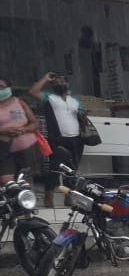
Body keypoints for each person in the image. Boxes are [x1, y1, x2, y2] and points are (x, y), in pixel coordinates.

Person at [29, 72, 83, 207]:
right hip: (58, 138)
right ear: (52, 85)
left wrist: (83, 115)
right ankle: (49, 195)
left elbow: (81, 116)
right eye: (56, 82)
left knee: (72, 169)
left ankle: (68, 196)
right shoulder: (49, 97)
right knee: (55, 167)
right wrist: (46, 79)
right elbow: (33, 92)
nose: (60, 84)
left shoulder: (74, 100)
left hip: (76, 137)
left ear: (67, 84)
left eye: (62, 82)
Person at [0, 78, 41, 186]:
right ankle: (11, 201)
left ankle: (26, 201)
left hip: (27, 148)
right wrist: (4, 131)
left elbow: (34, 123)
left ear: (9, 88)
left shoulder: (19, 102)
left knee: (26, 179)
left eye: (1, 87)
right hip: (4, 150)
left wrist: (23, 129)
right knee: (6, 181)